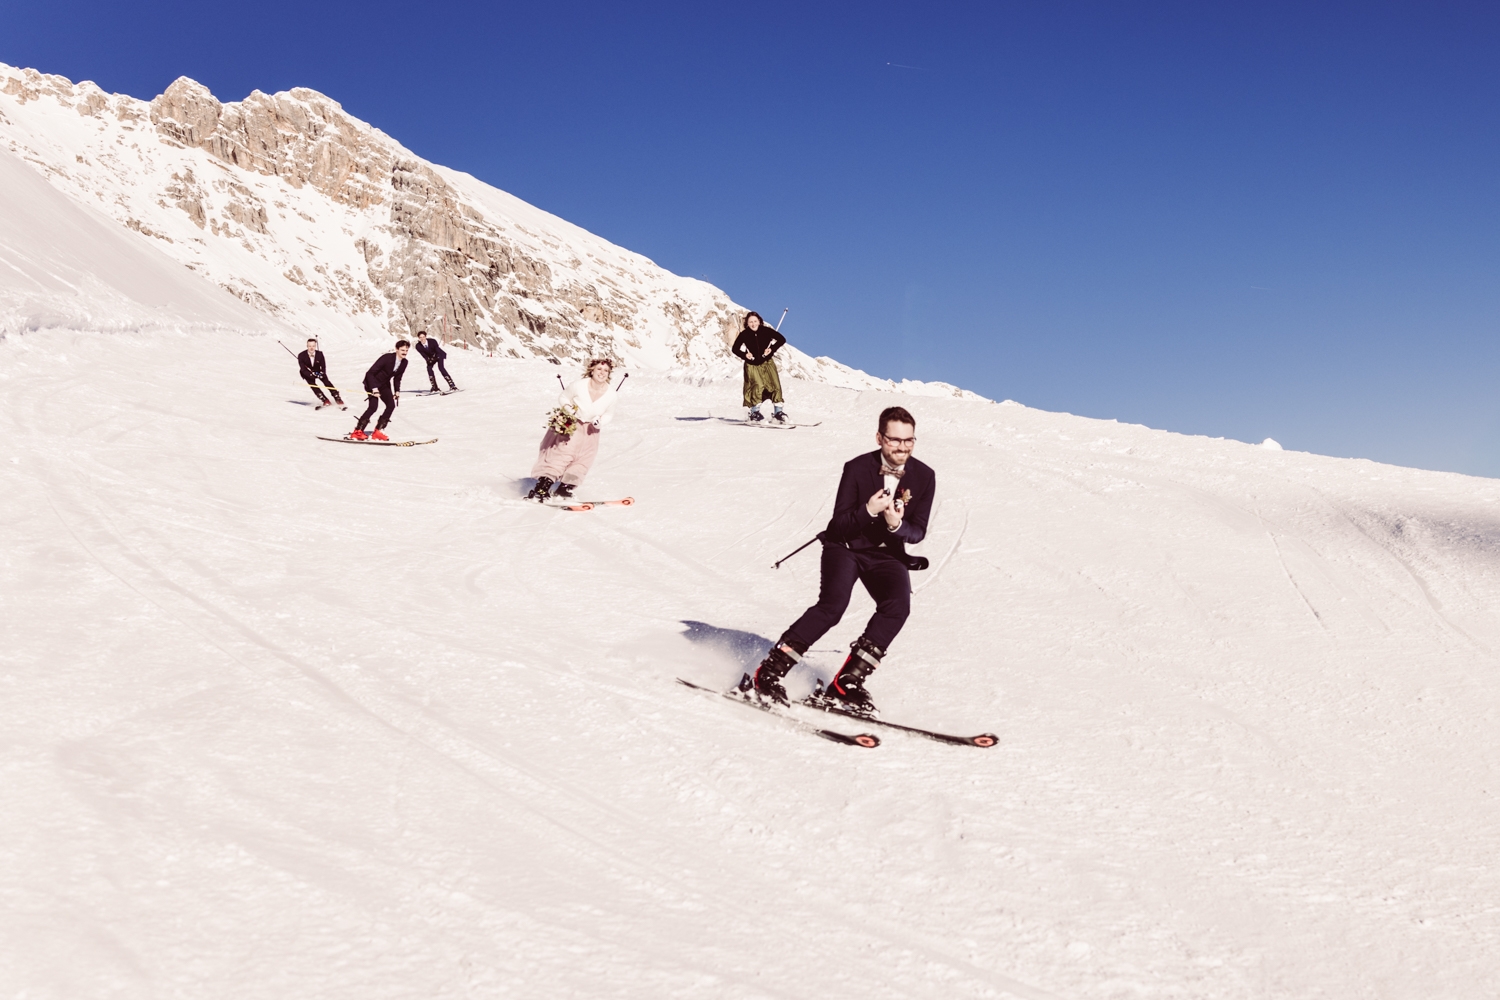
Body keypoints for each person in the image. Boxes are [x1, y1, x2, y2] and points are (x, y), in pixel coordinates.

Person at [744, 406, 934, 715]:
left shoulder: (925, 476)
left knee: (898, 607)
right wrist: (869, 511)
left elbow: (918, 531)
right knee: (832, 607)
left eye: (909, 440)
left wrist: (897, 525)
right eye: (895, 440)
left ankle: (847, 682)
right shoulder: (856, 468)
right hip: (845, 547)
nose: (902, 447)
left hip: (886, 553)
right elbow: (838, 525)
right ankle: (768, 673)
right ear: (880, 438)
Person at [526, 358, 620, 500]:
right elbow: (564, 397)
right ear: (592, 370)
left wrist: (600, 422)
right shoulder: (579, 385)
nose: (602, 373)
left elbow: (609, 414)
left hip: (590, 432)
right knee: (561, 455)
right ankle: (542, 487)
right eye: (599, 369)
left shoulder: (612, 394)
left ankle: (565, 488)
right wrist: (569, 410)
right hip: (572, 426)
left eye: (606, 370)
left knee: (583, 460)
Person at [731, 311, 788, 423]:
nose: (753, 324)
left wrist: (771, 349)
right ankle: (754, 412)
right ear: (747, 323)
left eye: (755, 321)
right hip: (752, 365)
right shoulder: (744, 334)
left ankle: (778, 412)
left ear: (760, 321)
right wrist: (745, 355)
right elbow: (735, 349)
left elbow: (782, 339)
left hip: (767, 363)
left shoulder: (766, 331)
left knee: (775, 384)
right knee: (757, 385)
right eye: (750, 322)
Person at [348, 340, 409, 442]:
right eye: (402, 350)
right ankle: (358, 431)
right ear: (397, 349)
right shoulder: (387, 358)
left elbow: (397, 378)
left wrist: (397, 391)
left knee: (391, 405)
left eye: (407, 350)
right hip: (372, 383)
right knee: (373, 407)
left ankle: (378, 432)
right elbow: (370, 373)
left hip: (384, 385)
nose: (405, 352)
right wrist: (374, 389)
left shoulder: (404, 362)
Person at [297, 337, 344, 409]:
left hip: (318, 371)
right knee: (313, 386)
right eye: (309, 346)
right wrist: (310, 374)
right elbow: (303, 369)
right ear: (307, 346)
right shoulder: (301, 355)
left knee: (327, 382)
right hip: (307, 373)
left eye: (313, 346)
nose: (311, 348)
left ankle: (337, 397)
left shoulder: (320, 354)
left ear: (315, 346)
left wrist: (322, 373)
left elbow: (323, 365)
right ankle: (324, 399)